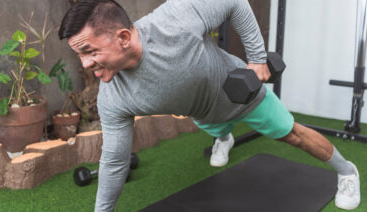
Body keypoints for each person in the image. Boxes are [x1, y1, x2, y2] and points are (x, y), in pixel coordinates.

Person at [59, 0, 361, 211]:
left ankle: (347, 172)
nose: (86, 64)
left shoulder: (176, 19)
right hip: (204, 116)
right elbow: (113, 163)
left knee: (291, 133)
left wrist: (256, 58)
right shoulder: (113, 97)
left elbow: (235, 2)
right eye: (79, 56)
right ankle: (223, 137)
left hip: (242, 99)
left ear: (123, 37)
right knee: (216, 128)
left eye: (89, 51)